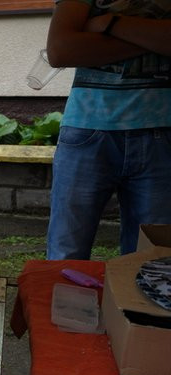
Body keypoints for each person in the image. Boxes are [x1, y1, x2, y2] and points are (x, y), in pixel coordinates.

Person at [46, 0, 171, 260]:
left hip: (161, 133)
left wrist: (110, 24)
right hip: (87, 131)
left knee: (154, 261)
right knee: (65, 258)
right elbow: (60, 51)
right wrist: (151, 36)